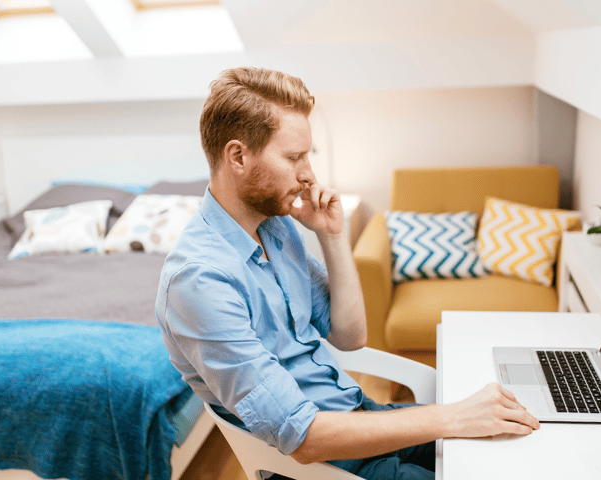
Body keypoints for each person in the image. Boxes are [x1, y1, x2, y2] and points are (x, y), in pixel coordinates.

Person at [155, 66, 540, 480]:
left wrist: (332, 237)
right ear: (238, 156)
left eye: (308, 156)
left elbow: (350, 336)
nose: (309, 175)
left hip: (357, 416)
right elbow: (303, 437)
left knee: (517, 448)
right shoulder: (200, 282)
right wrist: (453, 418)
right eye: (294, 157)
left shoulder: (277, 227)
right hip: (325, 463)